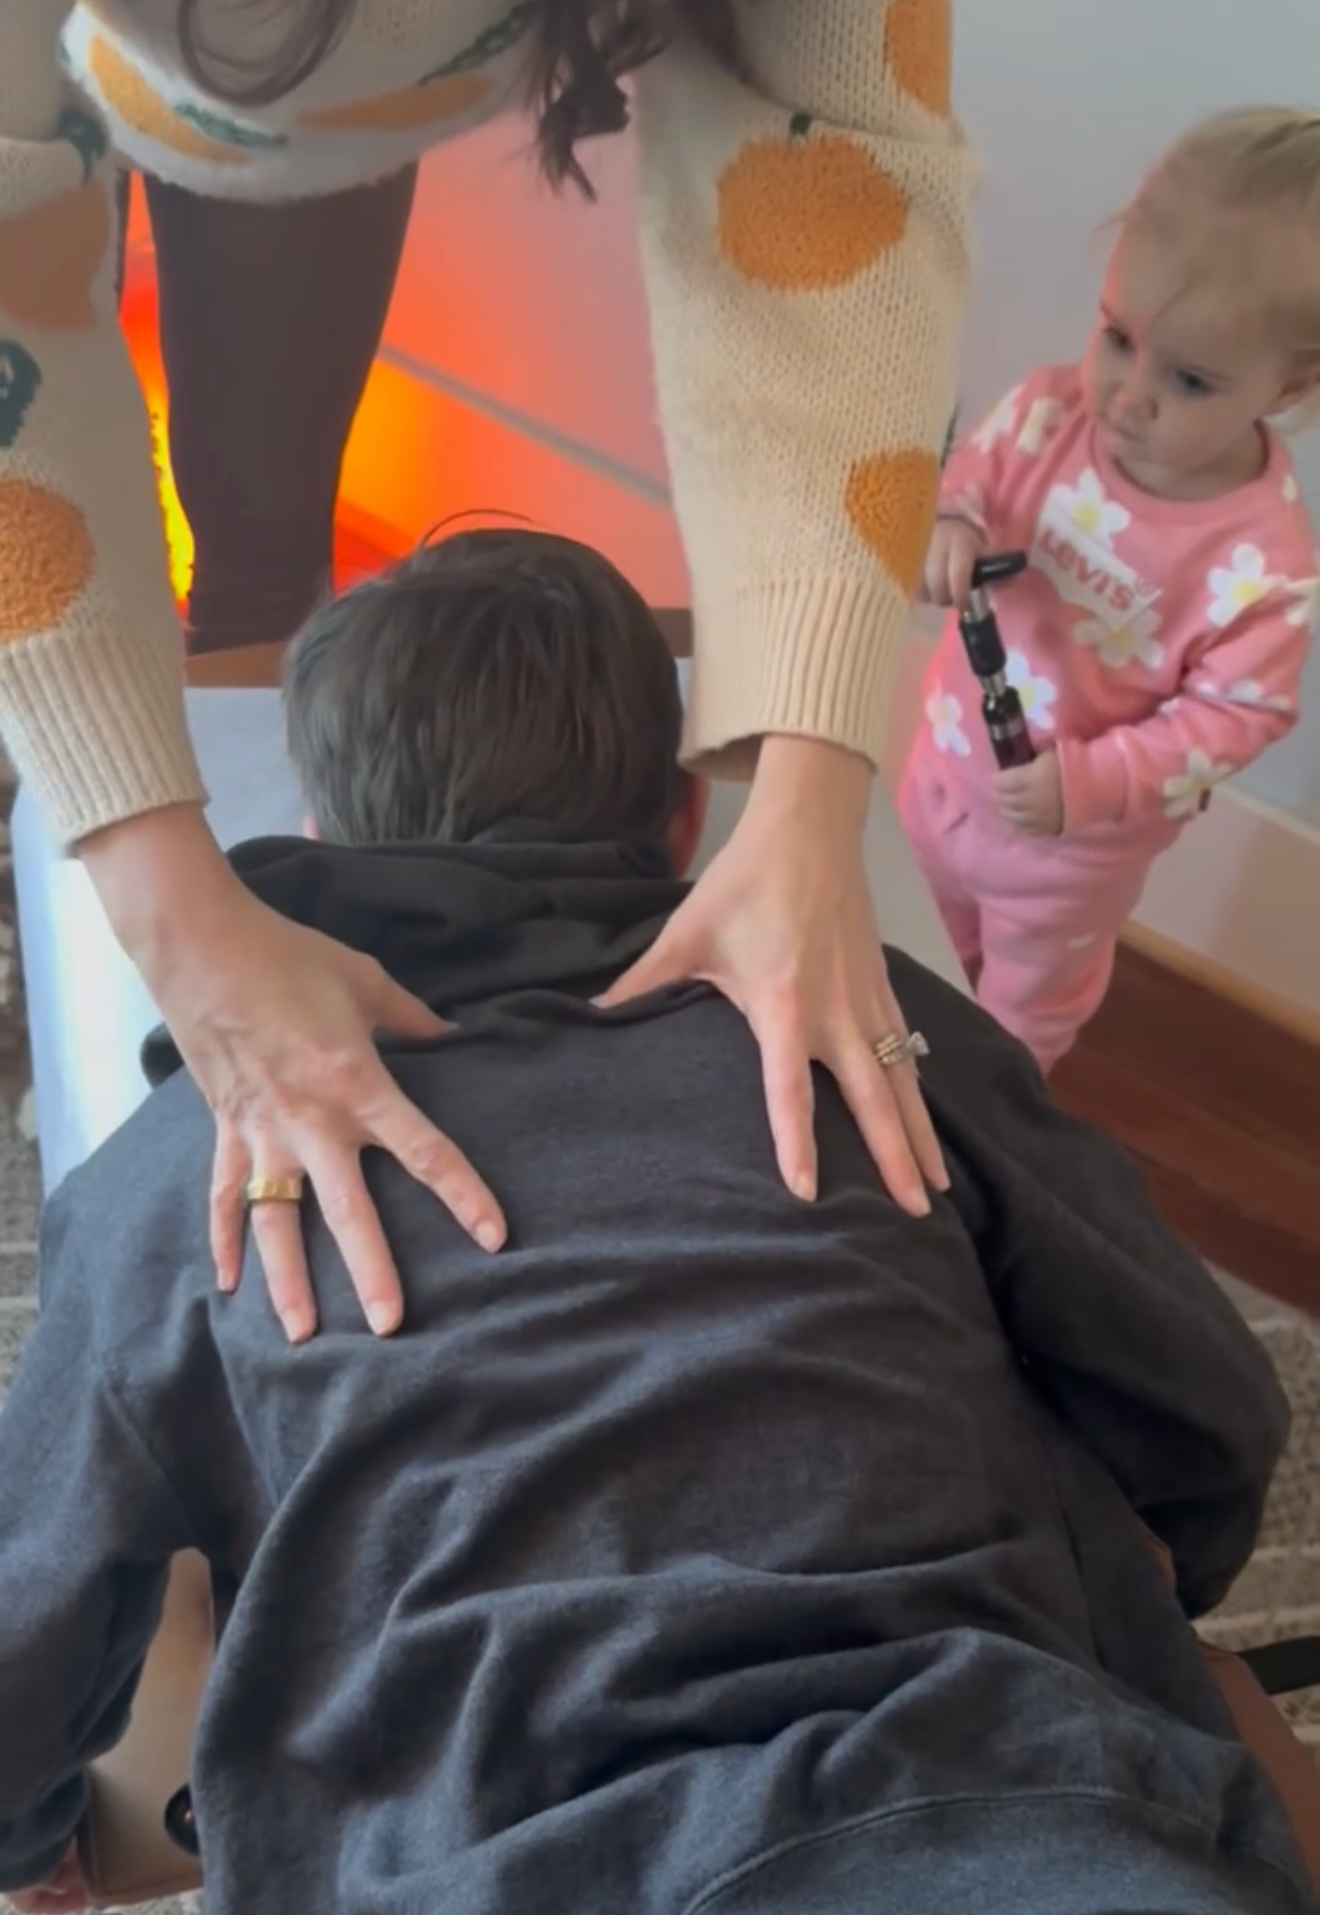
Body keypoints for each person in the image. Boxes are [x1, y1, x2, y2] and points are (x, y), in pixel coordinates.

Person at [0, 529, 1316, 1915]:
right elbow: (1205, 1393)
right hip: (1008, 1814)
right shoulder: (870, 1024)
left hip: (473, 1855)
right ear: (684, 820)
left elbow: (32, 1597)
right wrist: (1173, 1558)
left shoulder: (200, 1153)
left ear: (324, 833)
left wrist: (33, 1844)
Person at [0, 0, 971, 1329]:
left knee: (264, 563)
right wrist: (158, 902)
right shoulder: (957, 1097)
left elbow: (838, 170)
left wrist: (809, 799)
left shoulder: (144, 1203)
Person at [899, 106, 1319, 1071]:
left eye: (1191, 380)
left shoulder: (1265, 565)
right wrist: (951, 524)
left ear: (1290, 386)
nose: (1128, 395)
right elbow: (969, 481)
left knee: (1016, 1025)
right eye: (1118, 337)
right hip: (942, 774)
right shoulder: (1050, 414)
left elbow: (1231, 721)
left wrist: (1089, 785)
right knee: (900, 944)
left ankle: (983, 1142)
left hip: (1065, 855)